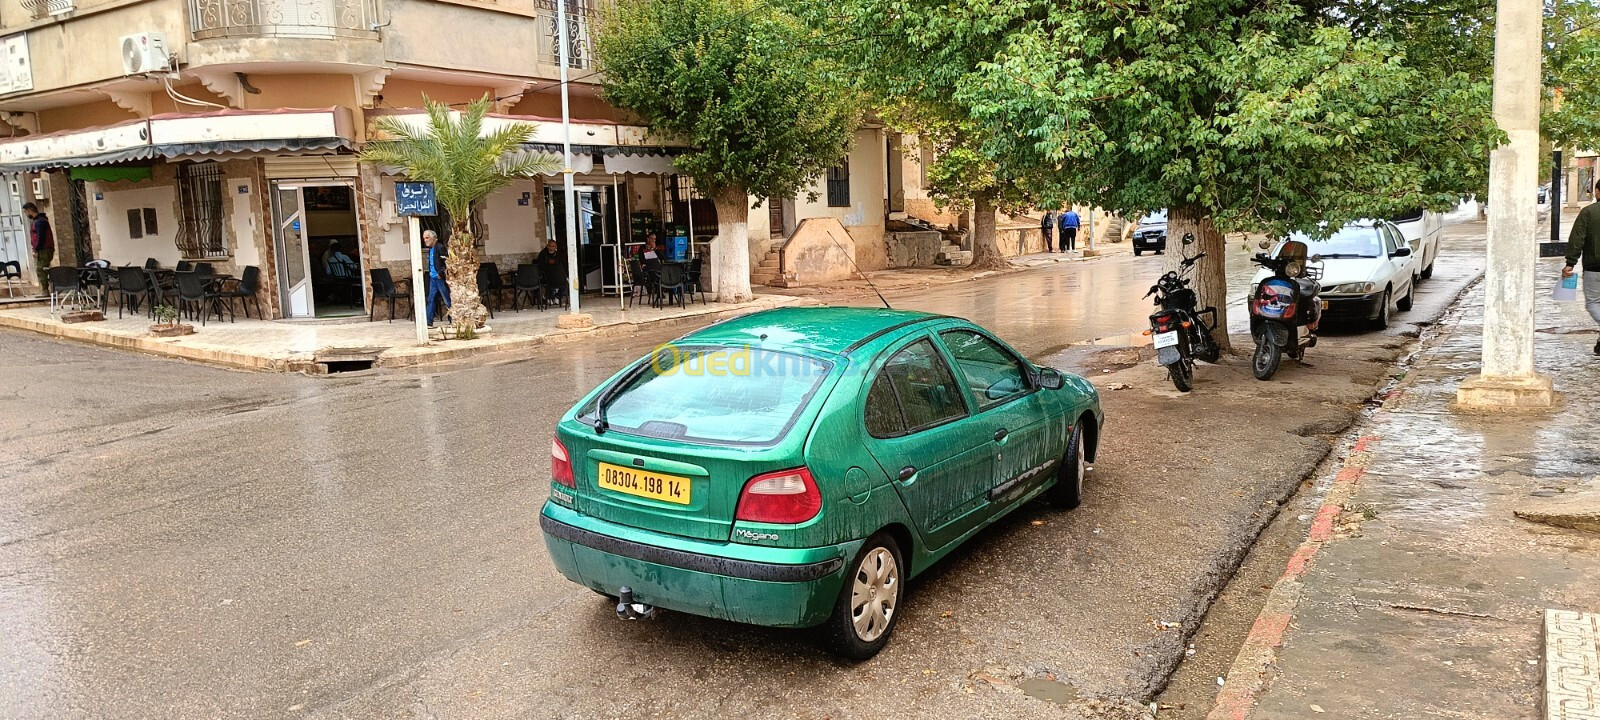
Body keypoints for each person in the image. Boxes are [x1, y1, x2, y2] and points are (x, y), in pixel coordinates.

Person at [1563, 178, 1600, 355]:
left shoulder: (1588, 212)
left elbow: (1577, 239)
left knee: (1593, 303)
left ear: (1597, 192)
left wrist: (1570, 263)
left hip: (1594, 268)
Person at [422, 230, 450, 327]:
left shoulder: (440, 247)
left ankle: (453, 319)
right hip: (433, 278)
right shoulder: (431, 249)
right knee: (431, 299)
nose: (425, 240)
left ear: (433, 238)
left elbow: (446, 262)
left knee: (446, 299)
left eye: (427, 238)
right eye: (424, 238)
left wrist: (441, 274)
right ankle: (428, 322)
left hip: (439, 278)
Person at [24, 202, 52, 290]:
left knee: (41, 269)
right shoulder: (38, 221)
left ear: (30, 211)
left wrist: (36, 249)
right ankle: (46, 289)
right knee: (42, 269)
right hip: (43, 249)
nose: (26, 214)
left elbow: (41, 237)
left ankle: (45, 290)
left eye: (26, 212)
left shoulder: (40, 222)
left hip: (44, 250)